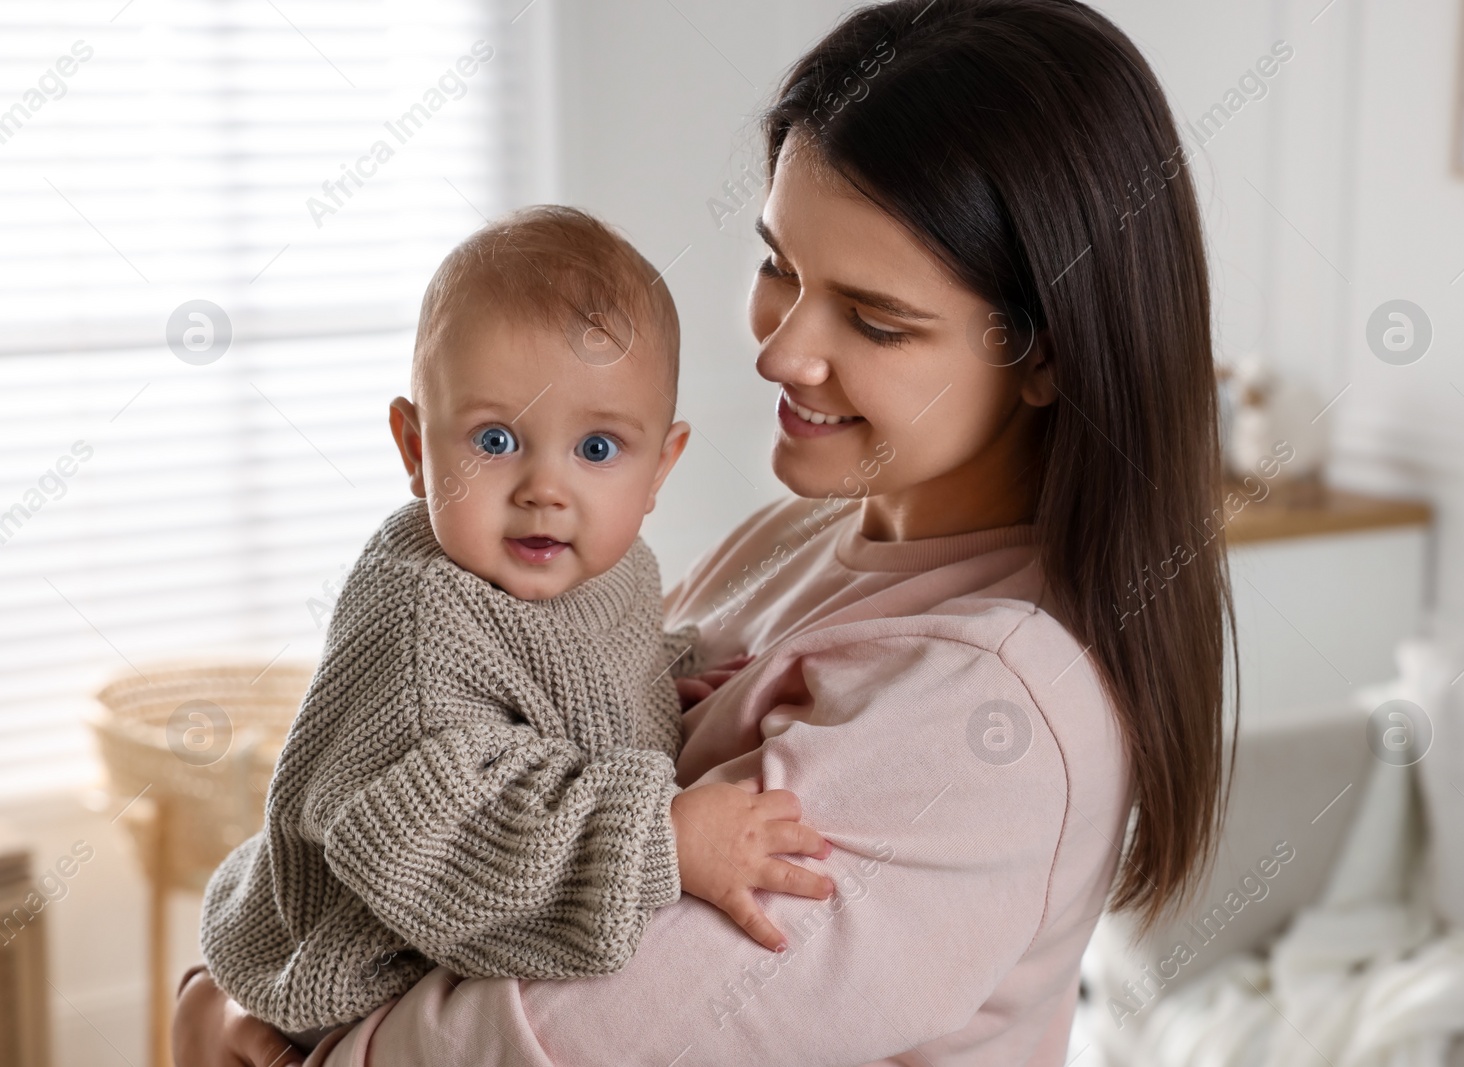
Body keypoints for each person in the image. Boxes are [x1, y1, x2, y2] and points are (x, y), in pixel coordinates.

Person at [174, 1, 1233, 1063]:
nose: (780, 353)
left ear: (1043, 355)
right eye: (780, 266)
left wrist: (256, 1039)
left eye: (871, 319)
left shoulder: (989, 715)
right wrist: (229, 982)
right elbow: (454, 761)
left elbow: (537, 1040)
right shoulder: (792, 540)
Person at [196, 205, 835, 1051]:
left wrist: (669, 683)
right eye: (495, 439)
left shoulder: (612, 565)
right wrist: (660, 838)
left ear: (660, 468)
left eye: (598, 449)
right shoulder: (423, 621)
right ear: (416, 447)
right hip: (352, 972)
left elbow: (576, 671)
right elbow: (448, 834)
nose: (545, 487)